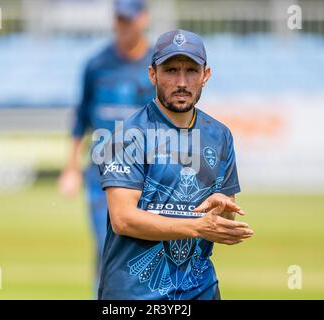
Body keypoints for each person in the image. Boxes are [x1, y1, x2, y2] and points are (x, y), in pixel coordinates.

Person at [97, 29, 254, 300]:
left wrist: (222, 212)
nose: (182, 81)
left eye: (191, 70)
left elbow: (219, 223)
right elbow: (123, 219)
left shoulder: (220, 135)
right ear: (152, 74)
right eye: (170, 70)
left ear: (205, 75)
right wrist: (196, 226)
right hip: (134, 296)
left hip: (200, 291)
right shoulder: (128, 135)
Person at [58, 0, 154, 290]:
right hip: (103, 175)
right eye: (119, 19)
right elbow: (81, 118)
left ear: (144, 19)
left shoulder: (160, 66)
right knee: (107, 247)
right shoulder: (96, 65)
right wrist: (71, 168)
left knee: (148, 253)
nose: (123, 25)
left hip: (148, 176)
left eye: (129, 19)